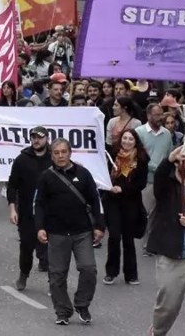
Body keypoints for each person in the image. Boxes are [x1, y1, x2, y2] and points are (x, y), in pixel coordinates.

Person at [35, 138, 105, 326]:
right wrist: (40, 227)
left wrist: (100, 226)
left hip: (82, 232)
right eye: (56, 153)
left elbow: (95, 200)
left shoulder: (83, 174)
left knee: (88, 269)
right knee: (57, 274)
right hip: (56, 233)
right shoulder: (46, 177)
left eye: (63, 152)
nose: (60, 156)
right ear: (52, 155)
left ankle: (82, 304)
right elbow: (39, 204)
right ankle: (62, 311)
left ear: (70, 153)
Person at [148, 145, 185, 334]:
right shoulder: (167, 185)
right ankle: (158, 331)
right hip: (171, 258)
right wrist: (167, 160)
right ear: (177, 161)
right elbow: (159, 178)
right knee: (168, 307)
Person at [7, 125, 52, 291]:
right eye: (33, 137)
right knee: (26, 246)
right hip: (27, 212)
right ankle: (23, 274)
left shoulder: (53, 158)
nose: (36, 140)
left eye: (40, 137)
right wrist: (12, 208)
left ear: (46, 139)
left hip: (50, 213)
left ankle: (53, 282)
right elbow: (12, 185)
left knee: (51, 248)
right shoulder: (22, 159)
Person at [103, 129, 148, 285]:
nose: (127, 142)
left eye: (130, 139)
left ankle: (131, 274)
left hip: (131, 202)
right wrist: (109, 187)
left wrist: (123, 189)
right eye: (124, 138)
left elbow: (141, 183)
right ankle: (111, 272)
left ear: (136, 142)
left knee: (128, 238)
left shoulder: (141, 159)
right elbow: (103, 173)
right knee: (114, 236)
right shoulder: (112, 155)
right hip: (112, 200)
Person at [137, 103, 174, 254]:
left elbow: (169, 154)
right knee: (146, 212)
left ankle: (150, 244)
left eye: (161, 114)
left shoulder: (167, 134)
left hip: (164, 181)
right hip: (147, 181)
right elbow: (139, 156)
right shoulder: (139, 132)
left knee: (158, 213)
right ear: (148, 116)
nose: (160, 117)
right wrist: (156, 167)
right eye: (157, 115)